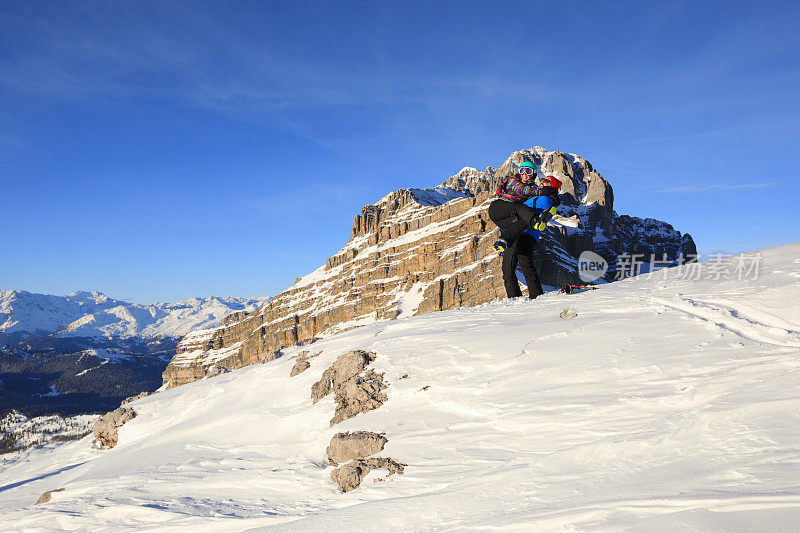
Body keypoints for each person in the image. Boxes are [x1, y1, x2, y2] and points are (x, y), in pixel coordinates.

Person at [501, 181, 561, 299]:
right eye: (542, 180)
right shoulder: (537, 196)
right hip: (523, 234)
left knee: (513, 266)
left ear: (552, 186)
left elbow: (536, 215)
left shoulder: (545, 199)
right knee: (519, 265)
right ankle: (533, 296)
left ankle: (520, 297)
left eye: (546, 181)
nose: (542, 181)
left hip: (525, 233)